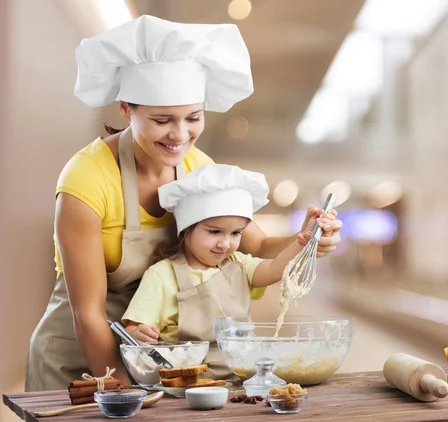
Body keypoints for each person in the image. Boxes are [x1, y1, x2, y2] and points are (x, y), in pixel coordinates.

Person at [25, 15, 342, 392]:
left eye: (193, 117)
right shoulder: (87, 177)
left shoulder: (197, 167)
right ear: (126, 108)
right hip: (81, 359)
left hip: (154, 364)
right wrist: (128, 395)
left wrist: (305, 241)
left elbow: (253, 245)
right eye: (162, 120)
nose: (180, 135)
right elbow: (89, 314)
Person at [121, 164, 331, 379]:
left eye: (236, 233)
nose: (225, 243)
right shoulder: (162, 276)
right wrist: (138, 334)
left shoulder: (240, 264)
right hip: (186, 385)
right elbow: (132, 331)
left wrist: (305, 239)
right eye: (214, 231)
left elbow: (275, 268)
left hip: (242, 378)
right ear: (186, 228)